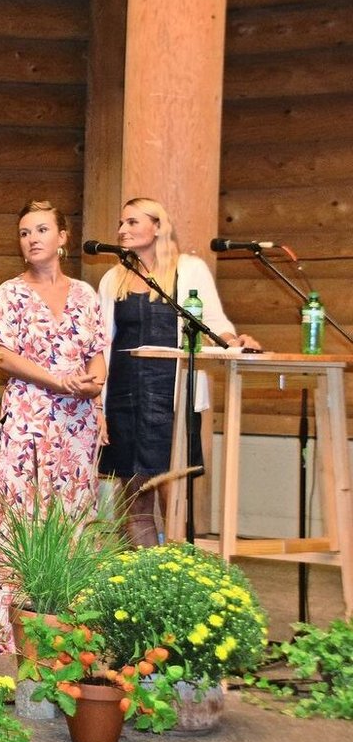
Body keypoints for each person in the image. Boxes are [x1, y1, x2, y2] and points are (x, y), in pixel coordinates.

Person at [0, 200, 107, 653]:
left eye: (41, 229)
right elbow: (1, 354)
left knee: (74, 515)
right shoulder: (10, 293)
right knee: (22, 514)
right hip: (28, 417)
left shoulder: (87, 295)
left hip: (78, 422)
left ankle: (71, 618)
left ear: (63, 237)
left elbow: (96, 351)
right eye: (24, 232)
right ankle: (12, 628)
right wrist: (58, 380)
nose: (32, 238)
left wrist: (95, 384)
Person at [97, 197, 261, 547]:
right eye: (121, 223)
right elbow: (101, 342)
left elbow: (212, 323)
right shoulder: (114, 278)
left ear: (158, 226)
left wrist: (234, 341)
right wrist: (98, 403)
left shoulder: (189, 269)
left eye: (132, 222)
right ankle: (142, 575)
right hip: (124, 396)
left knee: (173, 492)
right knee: (135, 494)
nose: (122, 230)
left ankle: (175, 570)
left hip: (171, 395)